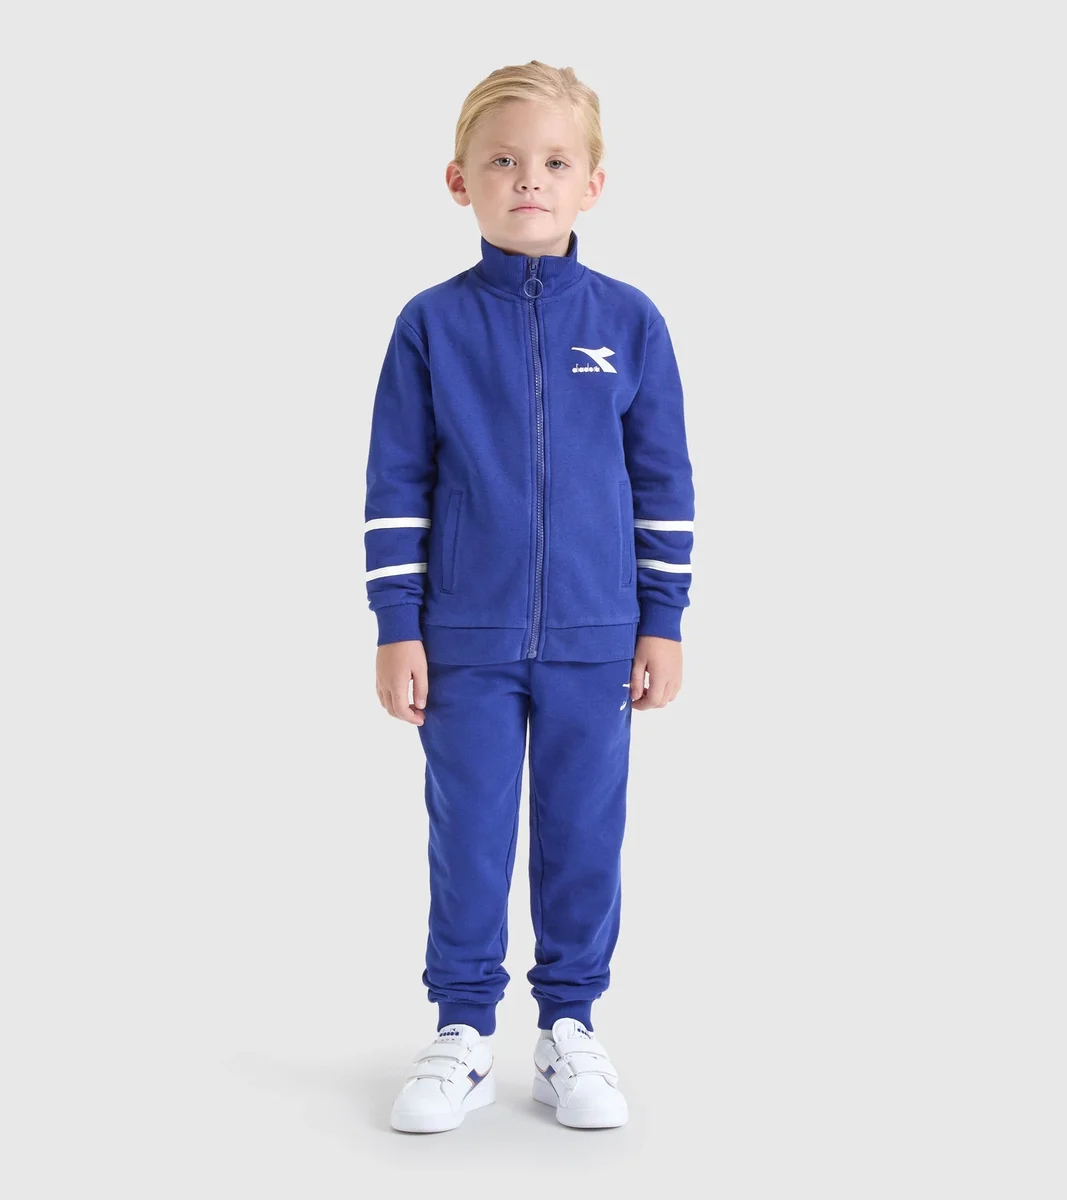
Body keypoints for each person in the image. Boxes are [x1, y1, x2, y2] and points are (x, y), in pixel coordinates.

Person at [363, 60, 695, 1133]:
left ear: (592, 184)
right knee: (465, 835)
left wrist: (662, 620)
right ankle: (461, 1030)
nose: (528, 181)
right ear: (458, 180)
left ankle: (569, 1029)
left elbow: (663, 481)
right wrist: (397, 628)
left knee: (583, 835)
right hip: (462, 638)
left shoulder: (630, 323)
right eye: (502, 160)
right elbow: (395, 484)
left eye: (554, 162)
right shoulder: (429, 325)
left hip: (598, 638)